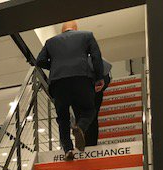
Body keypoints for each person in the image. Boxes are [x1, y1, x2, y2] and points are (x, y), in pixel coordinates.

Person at [36, 20, 104, 161]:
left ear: (62, 30)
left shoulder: (50, 42)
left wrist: (55, 66)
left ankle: (67, 149)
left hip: (58, 82)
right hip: (81, 78)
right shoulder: (87, 35)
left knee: (63, 118)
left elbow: (40, 61)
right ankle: (80, 127)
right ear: (75, 28)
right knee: (89, 110)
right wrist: (99, 78)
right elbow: (96, 57)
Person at [86, 58, 113, 146]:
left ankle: (88, 144)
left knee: (87, 117)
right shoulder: (94, 59)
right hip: (95, 91)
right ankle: (91, 144)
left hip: (90, 92)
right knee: (92, 118)